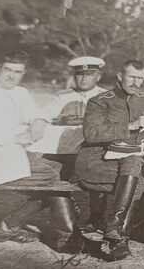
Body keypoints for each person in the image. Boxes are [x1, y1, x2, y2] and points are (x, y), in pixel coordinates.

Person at [0, 51, 80, 246]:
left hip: (11, 156)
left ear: (23, 73)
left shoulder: (20, 92)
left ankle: (9, 226)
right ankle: (64, 236)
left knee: (53, 175)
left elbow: (35, 114)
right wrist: (15, 138)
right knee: (54, 178)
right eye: (8, 70)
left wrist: (39, 121)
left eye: (18, 72)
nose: (12, 76)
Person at [75, 60, 144, 261]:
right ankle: (117, 235)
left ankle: (115, 232)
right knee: (137, 177)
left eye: (140, 79)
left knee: (134, 163)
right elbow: (91, 134)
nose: (136, 82)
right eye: (132, 77)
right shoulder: (100, 100)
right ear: (120, 76)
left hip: (127, 163)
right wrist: (131, 126)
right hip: (96, 162)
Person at [40, 56, 108, 243]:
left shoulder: (107, 97)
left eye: (89, 74)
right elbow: (43, 117)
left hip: (95, 152)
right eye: (79, 75)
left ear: (98, 76)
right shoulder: (62, 97)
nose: (83, 79)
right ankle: (66, 226)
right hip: (63, 153)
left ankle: (97, 218)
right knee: (48, 175)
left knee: (102, 172)